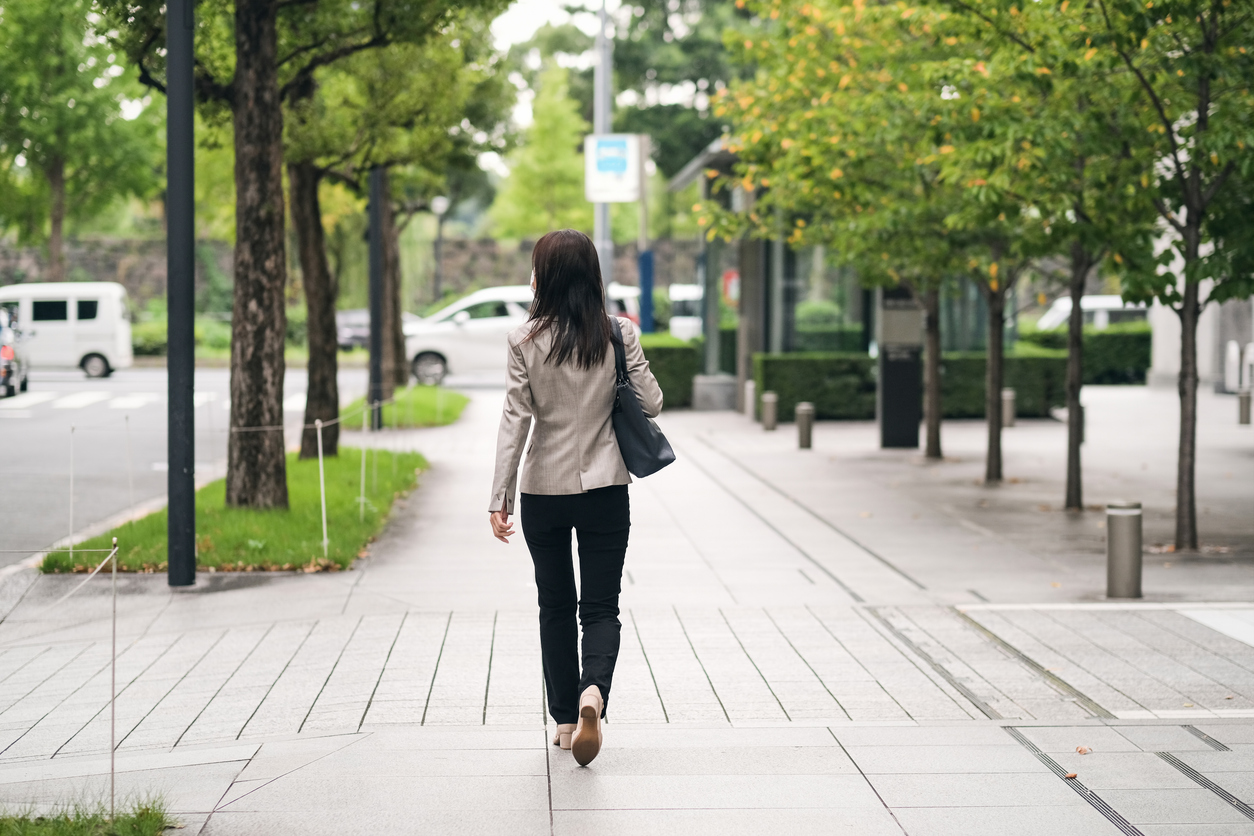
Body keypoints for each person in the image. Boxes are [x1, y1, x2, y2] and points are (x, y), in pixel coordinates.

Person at [488, 229, 663, 766]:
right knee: (602, 605)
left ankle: (566, 718)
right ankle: (595, 692)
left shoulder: (523, 340)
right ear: (592, 274)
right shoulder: (617, 332)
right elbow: (652, 403)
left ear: (544, 276)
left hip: (543, 487)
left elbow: (515, 420)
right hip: (606, 486)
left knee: (555, 605)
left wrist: (500, 497)